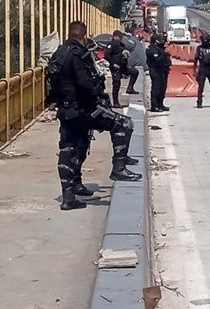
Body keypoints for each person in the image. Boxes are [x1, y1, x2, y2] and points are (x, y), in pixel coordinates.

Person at [48, 22, 142, 210]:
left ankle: (70, 193)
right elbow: (85, 83)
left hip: (66, 110)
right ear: (83, 37)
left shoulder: (58, 53)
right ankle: (119, 168)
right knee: (123, 124)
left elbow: (50, 81)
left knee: (71, 146)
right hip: (84, 108)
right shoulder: (77, 55)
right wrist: (97, 98)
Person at [105, 30, 139, 108]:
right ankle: (115, 102)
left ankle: (130, 88)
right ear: (115, 36)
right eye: (119, 37)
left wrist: (126, 55)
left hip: (123, 67)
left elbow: (123, 53)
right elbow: (107, 56)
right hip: (115, 68)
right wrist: (113, 64)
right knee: (116, 84)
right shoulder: (111, 45)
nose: (120, 38)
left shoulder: (121, 44)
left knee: (134, 72)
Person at [146, 33, 171, 112]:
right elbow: (156, 60)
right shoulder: (152, 49)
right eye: (162, 40)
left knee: (162, 88)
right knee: (156, 88)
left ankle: (160, 104)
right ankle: (154, 106)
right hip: (155, 70)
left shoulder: (161, 49)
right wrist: (164, 54)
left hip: (163, 71)